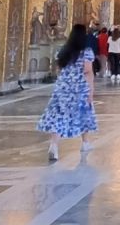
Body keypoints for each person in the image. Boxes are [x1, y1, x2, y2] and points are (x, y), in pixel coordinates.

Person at [37, 22, 97, 162]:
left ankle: (54, 144)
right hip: (79, 87)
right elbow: (88, 72)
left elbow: (59, 69)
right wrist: (91, 91)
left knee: (59, 116)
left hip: (63, 87)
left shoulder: (63, 50)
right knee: (84, 114)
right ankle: (85, 143)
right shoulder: (86, 52)